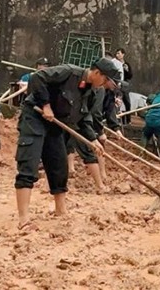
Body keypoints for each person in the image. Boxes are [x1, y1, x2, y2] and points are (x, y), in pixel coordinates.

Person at [14, 58, 119, 231]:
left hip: (56, 124)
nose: (106, 84)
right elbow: (36, 78)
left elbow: (83, 117)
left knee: (59, 164)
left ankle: (60, 210)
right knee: (29, 163)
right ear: (97, 73)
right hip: (35, 118)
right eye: (106, 80)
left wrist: (92, 139)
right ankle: (24, 218)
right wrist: (46, 105)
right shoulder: (68, 73)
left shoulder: (91, 92)